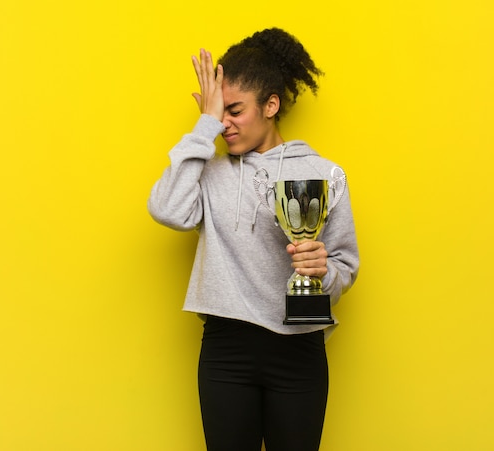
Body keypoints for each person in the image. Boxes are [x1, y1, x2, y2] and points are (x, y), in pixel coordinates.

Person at [147, 27, 359, 451]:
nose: (225, 124)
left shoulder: (324, 174)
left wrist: (324, 271)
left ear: (271, 105)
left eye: (235, 110)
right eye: (217, 112)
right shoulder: (210, 172)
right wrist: (203, 128)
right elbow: (167, 209)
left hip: (299, 350)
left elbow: (344, 266)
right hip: (227, 348)